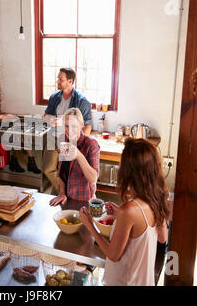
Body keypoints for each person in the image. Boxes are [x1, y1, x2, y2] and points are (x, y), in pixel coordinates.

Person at [79, 138, 170, 286]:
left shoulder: (129, 210)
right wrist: (119, 214)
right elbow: (162, 238)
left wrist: (90, 226)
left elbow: (113, 255)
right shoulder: (156, 200)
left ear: (130, 171)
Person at [43, 67, 92, 195]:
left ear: (70, 81)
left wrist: (79, 145)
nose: (57, 81)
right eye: (58, 78)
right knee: (48, 169)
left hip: (69, 142)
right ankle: (62, 191)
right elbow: (46, 115)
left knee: (64, 170)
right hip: (53, 138)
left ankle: (62, 193)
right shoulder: (54, 97)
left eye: (61, 79)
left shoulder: (82, 101)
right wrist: (50, 119)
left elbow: (87, 125)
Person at [49, 108, 99, 205]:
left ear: (81, 125)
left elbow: (93, 179)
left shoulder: (91, 144)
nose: (69, 130)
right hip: (66, 199)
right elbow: (62, 172)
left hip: (83, 201)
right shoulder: (64, 141)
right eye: (66, 126)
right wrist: (62, 193)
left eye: (74, 126)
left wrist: (78, 155)